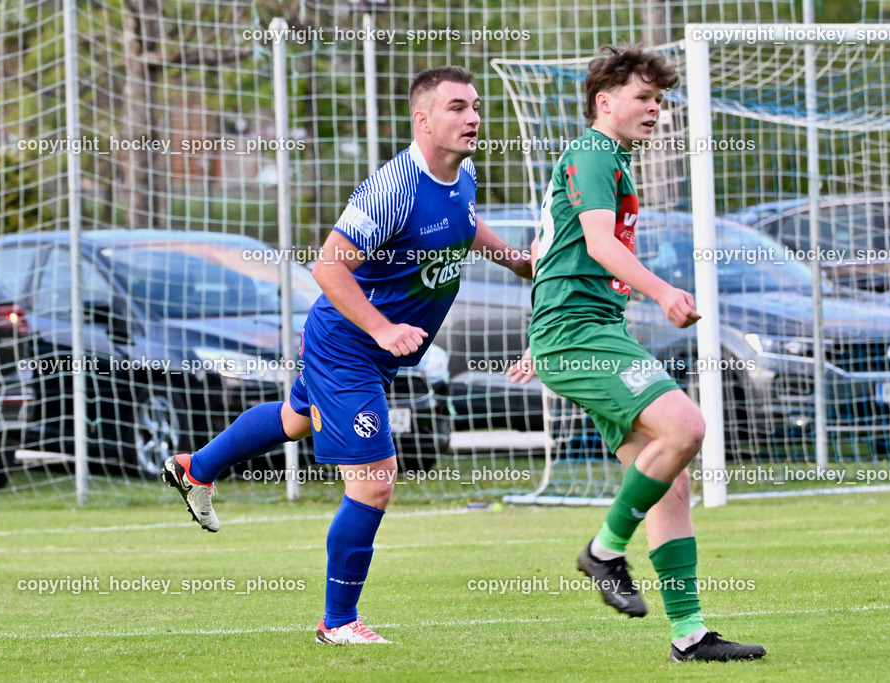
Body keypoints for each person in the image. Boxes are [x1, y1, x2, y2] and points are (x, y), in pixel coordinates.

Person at [163, 65, 532, 645]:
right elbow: (327, 266)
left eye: (476, 106)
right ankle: (337, 622)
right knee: (375, 481)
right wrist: (382, 329)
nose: (473, 118)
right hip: (347, 345)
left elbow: (465, 221)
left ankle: (196, 468)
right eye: (458, 107)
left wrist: (515, 260)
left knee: (294, 420)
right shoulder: (393, 189)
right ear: (423, 119)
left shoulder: (463, 174)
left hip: (368, 348)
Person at [507, 45, 765, 662]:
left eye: (659, 100)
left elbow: (547, 250)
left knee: (669, 480)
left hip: (589, 330)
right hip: (581, 334)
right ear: (605, 101)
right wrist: (663, 293)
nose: (655, 109)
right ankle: (603, 551)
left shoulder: (606, 158)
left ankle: (690, 635)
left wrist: (542, 333)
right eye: (643, 97)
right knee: (687, 427)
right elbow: (598, 244)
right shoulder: (595, 153)